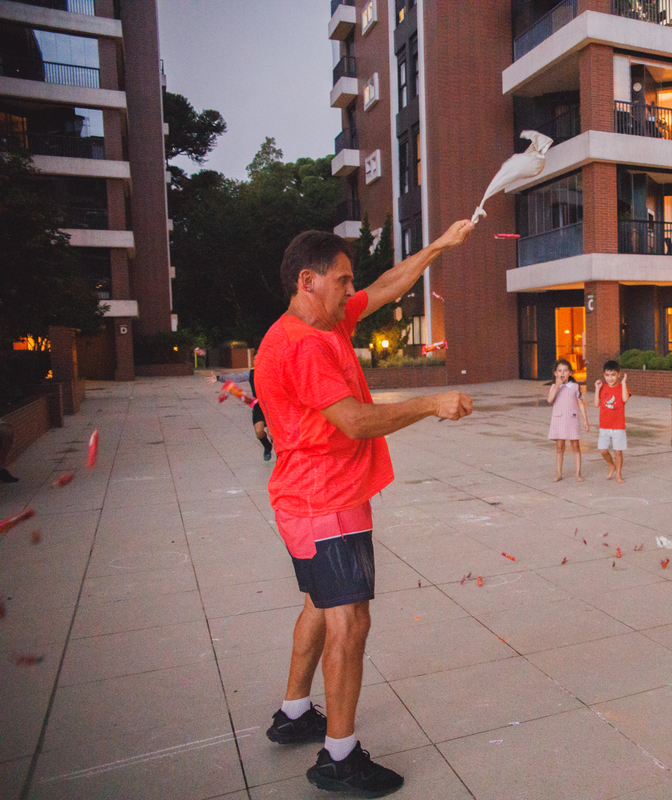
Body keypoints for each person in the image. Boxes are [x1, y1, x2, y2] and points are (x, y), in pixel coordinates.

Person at [254, 220, 474, 797]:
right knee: (349, 622)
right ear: (308, 281)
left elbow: (388, 286)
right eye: (342, 279)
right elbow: (351, 420)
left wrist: (440, 245)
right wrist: (432, 403)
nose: (352, 290)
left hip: (311, 501)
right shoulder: (300, 344)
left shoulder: (325, 318)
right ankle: (339, 759)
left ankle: (296, 712)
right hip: (324, 502)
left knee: (319, 606)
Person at [209, 368, 272, 460]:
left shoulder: (273, 370)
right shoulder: (251, 373)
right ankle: (267, 446)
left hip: (272, 406)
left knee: (273, 434)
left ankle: (279, 458)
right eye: (255, 360)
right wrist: (218, 378)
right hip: (258, 406)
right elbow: (236, 377)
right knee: (259, 432)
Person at [548, 358, 589, 482]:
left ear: (570, 373)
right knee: (560, 447)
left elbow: (580, 403)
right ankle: (559, 473)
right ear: (555, 373)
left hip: (572, 419)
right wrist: (557, 386)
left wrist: (585, 420)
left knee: (575, 446)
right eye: (559, 370)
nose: (562, 373)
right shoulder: (554, 387)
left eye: (565, 370)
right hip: (559, 420)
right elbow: (550, 400)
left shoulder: (575, 386)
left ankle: (578, 473)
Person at [594, 360, 631, 483]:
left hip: (618, 426)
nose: (610, 378)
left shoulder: (622, 387)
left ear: (619, 374)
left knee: (618, 452)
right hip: (604, 425)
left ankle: (618, 475)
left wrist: (624, 383)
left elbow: (625, 399)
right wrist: (597, 389)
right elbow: (596, 404)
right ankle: (611, 465)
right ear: (604, 375)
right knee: (603, 450)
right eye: (607, 375)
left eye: (613, 375)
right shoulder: (603, 388)